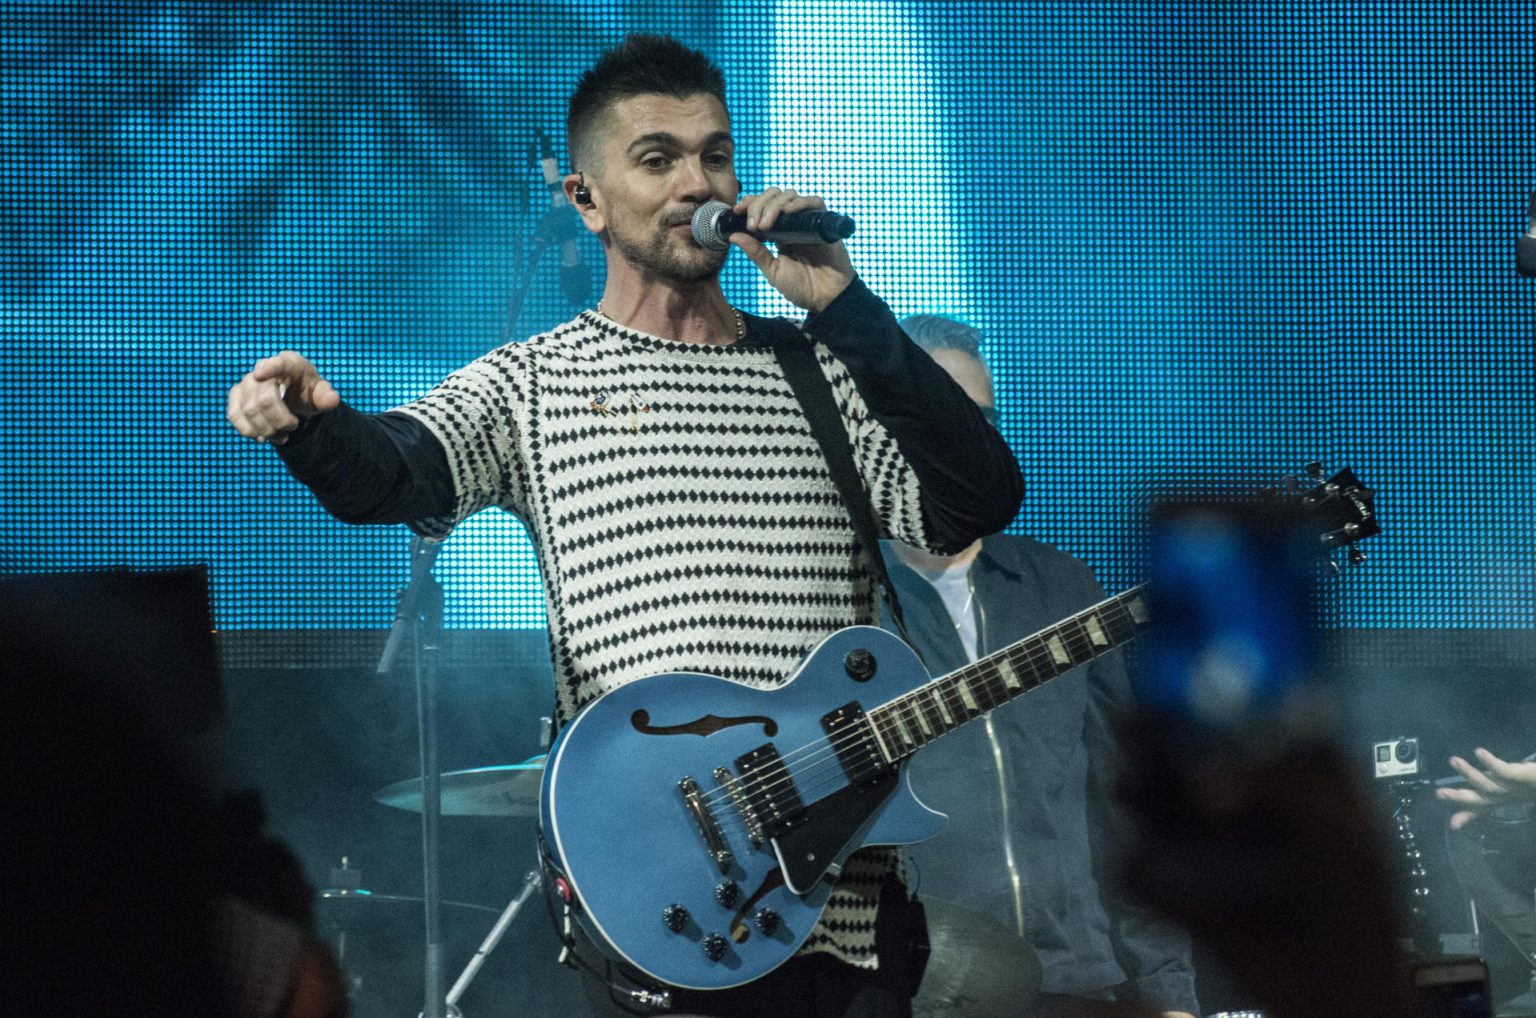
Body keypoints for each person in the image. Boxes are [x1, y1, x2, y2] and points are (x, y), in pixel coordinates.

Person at [225, 34, 1023, 1018]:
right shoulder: (532, 381)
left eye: (715, 154)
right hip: (663, 900)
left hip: (841, 919)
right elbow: (388, 477)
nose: (699, 181)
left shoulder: (821, 368)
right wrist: (312, 423)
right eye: (658, 159)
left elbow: (976, 502)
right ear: (588, 201)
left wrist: (848, 306)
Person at [878, 316, 1199, 1018]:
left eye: (985, 419)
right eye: (947, 416)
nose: (974, 439)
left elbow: (1130, 809)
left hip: (1078, 983)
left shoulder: (1063, 591)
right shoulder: (843, 605)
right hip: (922, 991)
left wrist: (1169, 989)